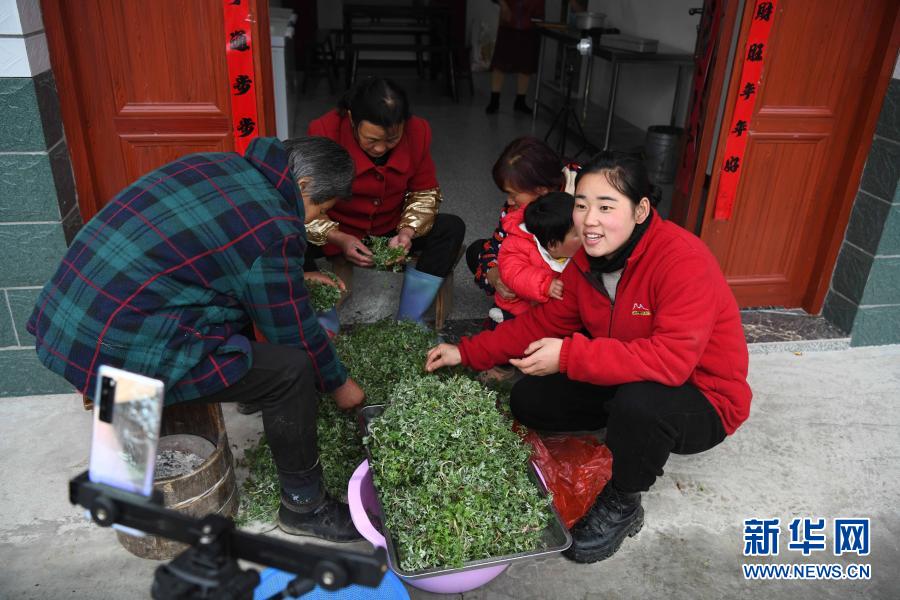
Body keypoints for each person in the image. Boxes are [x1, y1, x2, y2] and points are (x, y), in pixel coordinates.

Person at [27, 136, 365, 542]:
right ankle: (304, 505)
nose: (314, 220)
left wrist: (293, 275)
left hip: (70, 320)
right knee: (291, 371)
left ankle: (121, 482)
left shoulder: (219, 166)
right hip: (119, 346)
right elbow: (294, 331)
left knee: (230, 313)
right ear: (305, 184)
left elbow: (218, 259)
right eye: (321, 210)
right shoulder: (274, 228)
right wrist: (339, 383)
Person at [426, 151, 752, 563]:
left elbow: (671, 362)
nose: (589, 220)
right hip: (626, 373)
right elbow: (543, 322)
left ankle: (624, 502)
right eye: (581, 205)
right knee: (530, 399)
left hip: (701, 397)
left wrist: (568, 356)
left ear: (640, 210)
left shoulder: (682, 261)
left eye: (606, 207)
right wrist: (466, 351)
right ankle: (623, 429)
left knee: (640, 404)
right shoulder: (587, 261)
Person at [305, 77, 466, 326]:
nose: (380, 149)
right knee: (284, 232)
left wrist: (407, 233)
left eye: (391, 139)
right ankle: (322, 317)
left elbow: (424, 192)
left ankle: (409, 320)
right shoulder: (325, 132)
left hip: (389, 227)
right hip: (335, 228)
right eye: (371, 140)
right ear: (352, 119)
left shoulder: (418, 132)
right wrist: (338, 238)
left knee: (451, 228)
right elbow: (306, 203)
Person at [467, 136, 575, 316]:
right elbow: (497, 244)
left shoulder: (578, 202)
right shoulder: (515, 210)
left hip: (562, 285)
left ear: (541, 190)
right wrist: (494, 275)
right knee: (476, 250)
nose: (509, 201)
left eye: (513, 194)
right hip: (527, 276)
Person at [490, 191, 581, 324]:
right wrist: (545, 285)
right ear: (553, 245)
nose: (586, 234)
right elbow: (516, 274)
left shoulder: (566, 246)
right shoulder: (516, 246)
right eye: (577, 234)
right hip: (519, 307)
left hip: (549, 304)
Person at [485, 0, 545, 114]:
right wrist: (503, 5)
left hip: (531, 22)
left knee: (526, 64)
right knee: (500, 62)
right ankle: (494, 100)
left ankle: (520, 101)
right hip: (509, 21)